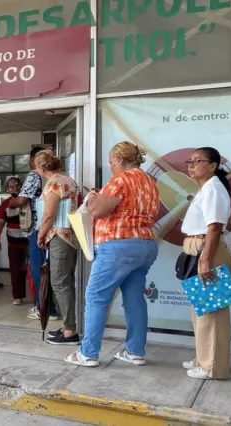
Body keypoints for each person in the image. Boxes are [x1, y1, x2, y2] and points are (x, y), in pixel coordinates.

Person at [65, 142, 159, 367]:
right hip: (145, 243)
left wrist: (93, 198)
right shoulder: (149, 182)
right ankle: (135, 351)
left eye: (111, 161)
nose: (110, 166)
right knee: (135, 298)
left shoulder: (121, 179)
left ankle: (87, 353)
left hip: (118, 245)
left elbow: (97, 211)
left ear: (119, 159)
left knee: (96, 298)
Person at [179, 147, 231, 381]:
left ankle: (214, 367)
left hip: (207, 252)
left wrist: (205, 260)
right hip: (198, 250)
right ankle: (203, 358)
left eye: (198, 161)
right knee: (201, 311)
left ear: (212, 166)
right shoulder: (205, 189)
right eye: (190, 161)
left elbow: (214, 227)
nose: (191, 165)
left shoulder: (213, 188)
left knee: (212, 313)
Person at [32, 150, 81, 346]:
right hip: (71, 236)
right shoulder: (69, 180)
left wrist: (41, 234)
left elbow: (49, 215)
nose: (36, 169)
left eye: (36, 166)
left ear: (42, 167)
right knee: (66, 281)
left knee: (59, 282)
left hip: (59, 236)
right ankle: (68, 326)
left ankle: (69, 331)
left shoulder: (53, 184)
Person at [9, 147, 58, 321]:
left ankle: (45, 308)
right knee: (51, 269)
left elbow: (22, 200)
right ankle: (51, 307)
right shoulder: (58, 177)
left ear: (33, 161)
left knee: (39, 269)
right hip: (54, 229)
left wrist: (11, 201)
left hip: (38, 229)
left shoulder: (34, 175)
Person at [0, 178, 28, 305]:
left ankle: (37, 296)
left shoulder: (27, 201)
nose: (14, 188)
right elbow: (0, 223)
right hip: (13, 241)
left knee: (31, 269)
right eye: (11, 186)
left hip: (29, 240)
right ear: (7, 189)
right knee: (15, 269)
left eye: (17, 185)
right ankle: (17, 296)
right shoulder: (5, 204)